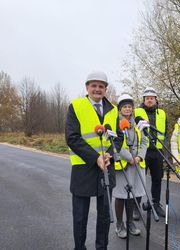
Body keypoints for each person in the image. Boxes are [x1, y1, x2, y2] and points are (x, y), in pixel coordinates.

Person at [65, 70, 123, 250]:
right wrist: (96, 157)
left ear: (106, 89)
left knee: (105, 215)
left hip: (106, 167)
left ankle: (101, 247)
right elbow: (72, 138)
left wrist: (109, 154)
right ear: (87, 87)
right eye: (94, 85)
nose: (97, 89)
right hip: (84, 169)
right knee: (80, 217)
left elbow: (119, 137)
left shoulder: (114, 110)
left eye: (101, 86)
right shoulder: (75, 106)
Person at [113, 93, 147, 239]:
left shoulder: (138, 123)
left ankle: (131, 223)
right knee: (121, 196)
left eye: (129, 107)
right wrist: (129, 157)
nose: (127, 109)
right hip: (123, 165)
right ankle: (119, 225)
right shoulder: (115, 123)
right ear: (120, 109)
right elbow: (116, 144)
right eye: (124, 107)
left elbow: (145, 141)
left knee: (133, 195)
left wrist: (139, 156)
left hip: (137, 164)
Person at [133, 87, 167, 218]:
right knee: (140, 179)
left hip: (157, 151)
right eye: (147, 98)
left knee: (157, 179)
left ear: (156, 99)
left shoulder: (162, 113)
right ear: (143, 100)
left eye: (152, 98)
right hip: (142, 151)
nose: (149, 100)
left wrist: (165, 153)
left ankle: (156, 204)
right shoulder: (137, 112)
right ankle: (136, 207)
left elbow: (165, 133)